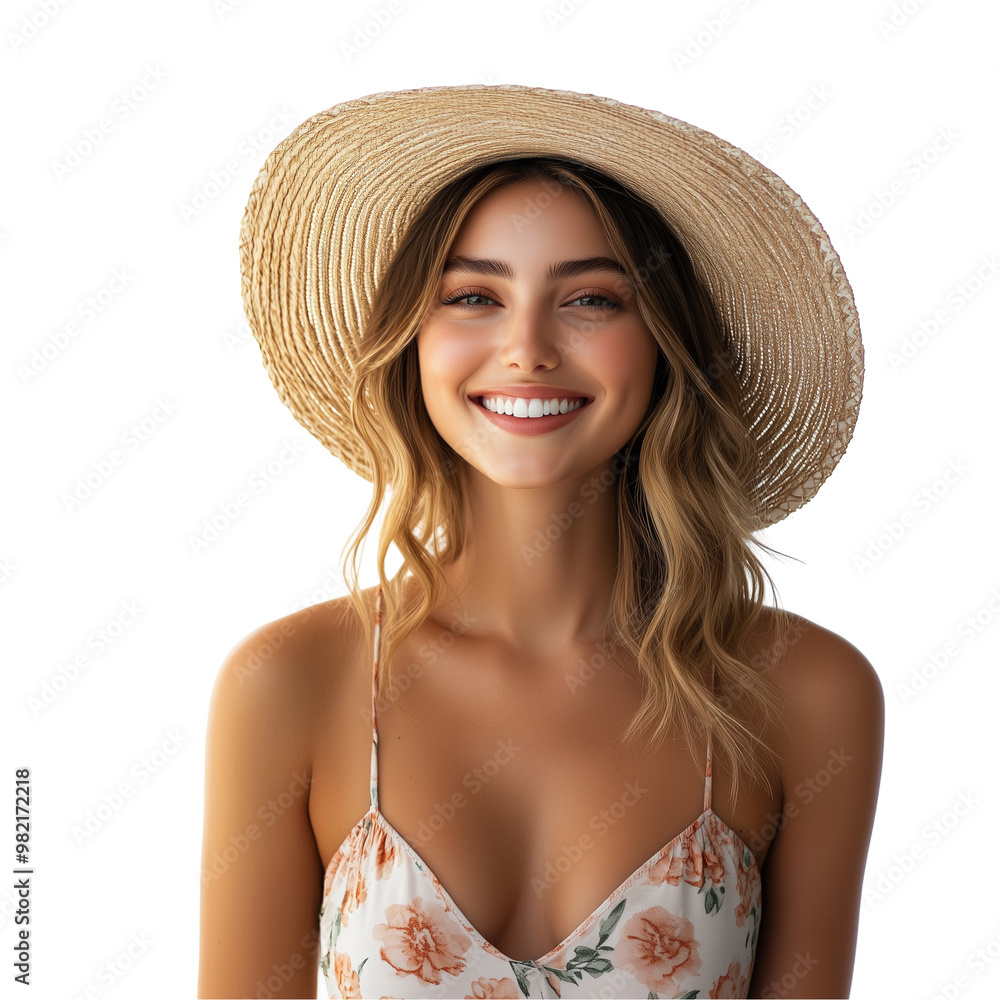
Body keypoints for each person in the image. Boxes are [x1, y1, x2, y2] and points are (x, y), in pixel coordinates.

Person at [198, 85, 884, 1000]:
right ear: (413, 344)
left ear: (666, 344)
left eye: (592, 299)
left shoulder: (806, 692)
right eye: (474, 295)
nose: (527, 349)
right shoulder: (291, 682)